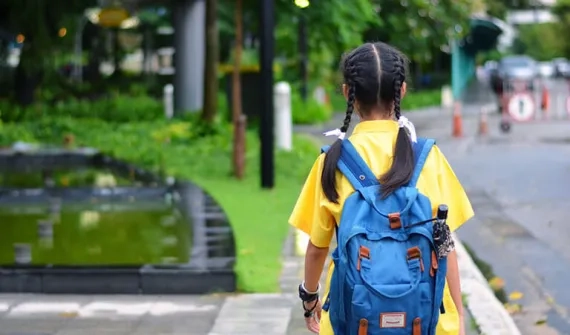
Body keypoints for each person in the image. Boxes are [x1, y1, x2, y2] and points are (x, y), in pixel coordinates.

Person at [289, 42, 474, 335]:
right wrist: (458, 318)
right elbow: (444, 243)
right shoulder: (427, 156)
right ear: (401, 91)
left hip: (352, 318)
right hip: (425, 319)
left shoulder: (332, 161)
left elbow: (317, 249)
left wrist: (310, 299)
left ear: (348, 93)